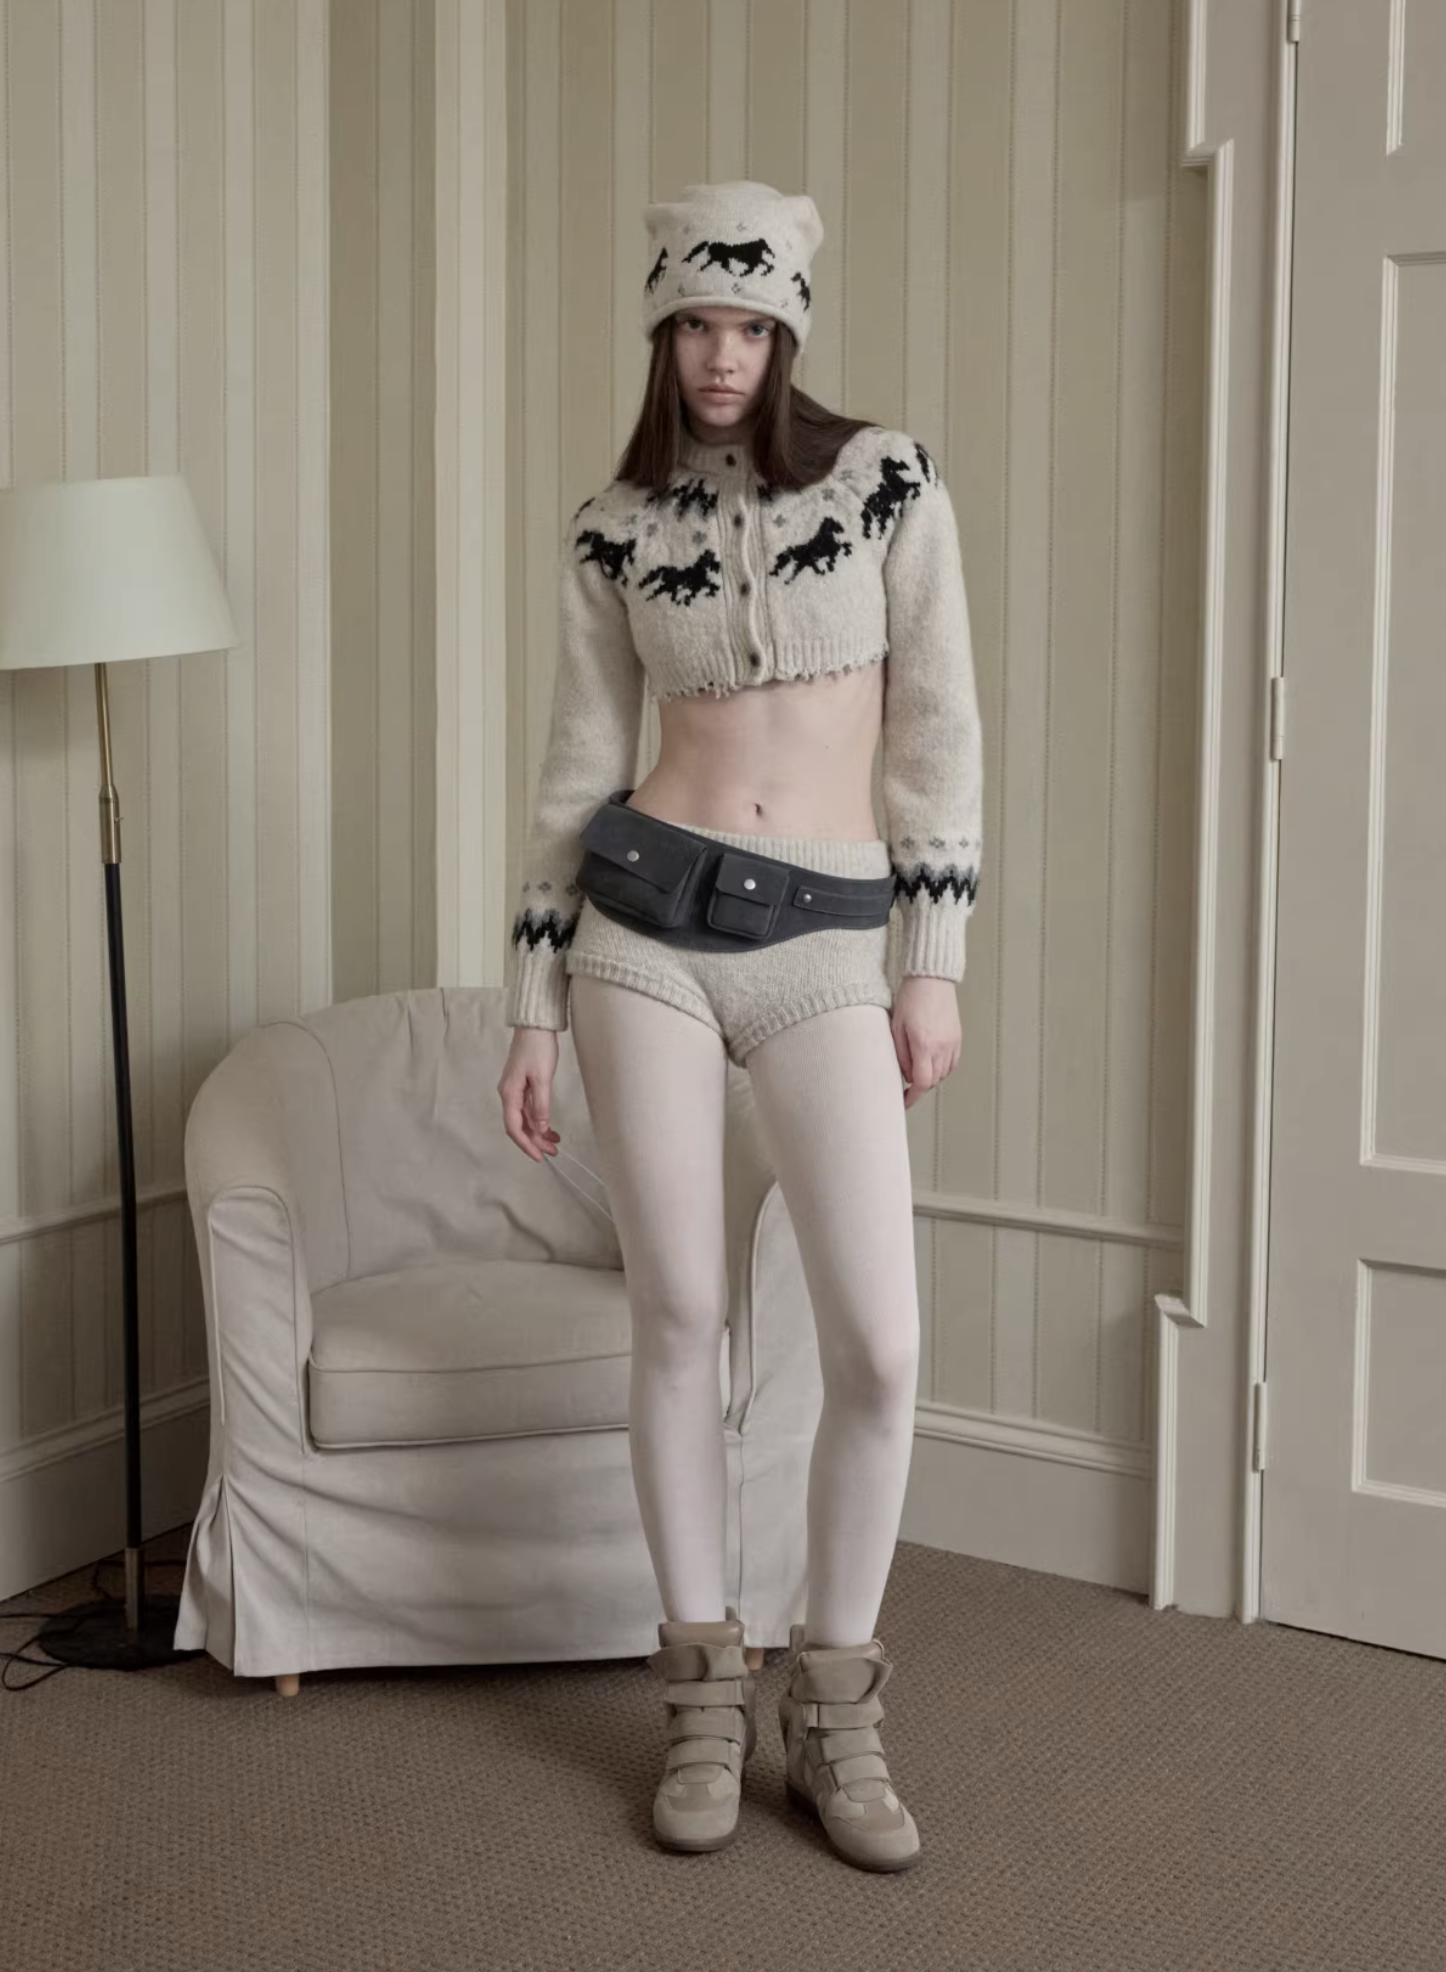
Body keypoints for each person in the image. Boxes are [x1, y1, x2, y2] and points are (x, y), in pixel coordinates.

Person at [496, 181, 983, 1873]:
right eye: (696, 323)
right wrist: (532, 1003)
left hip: (825, 942)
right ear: (662, 332)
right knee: (679, 1313)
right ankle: (703, 1693)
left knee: (881, 1347)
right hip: (640, 932)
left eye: (752, 324)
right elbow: (577, 770)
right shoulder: (612, 526)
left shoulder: (887, 482)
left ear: (788, 332)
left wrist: (932, 960)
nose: (722, 354)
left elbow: (936, 731)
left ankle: (832, 1706)